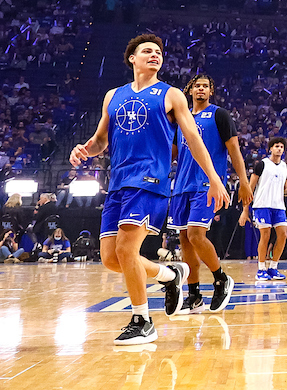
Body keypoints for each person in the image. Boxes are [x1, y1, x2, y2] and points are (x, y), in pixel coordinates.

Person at [70, 33, 230, 345]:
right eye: (147, 51)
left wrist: (213, 176)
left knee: (127, 249)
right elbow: (101, 141)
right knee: (111, 258)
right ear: (132, 58)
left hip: (150, 181)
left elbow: (193, 139)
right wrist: (85, 149)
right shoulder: (112, 96)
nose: (154, 55)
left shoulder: (171, 95)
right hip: (118, 182)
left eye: (158, 51)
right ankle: (171, 276)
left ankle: (142, 319)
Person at [167, 74, 252, 313]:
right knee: (185, 241)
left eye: (205, 86)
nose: (201, 89)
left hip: (207, 184)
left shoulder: (219, 115)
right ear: (190, 90)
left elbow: (234, 150)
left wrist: (243, 182)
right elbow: (172, 154)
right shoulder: (181, 119)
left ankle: (221, 278)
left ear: (210, 92)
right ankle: (194, 295)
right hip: (181, 186)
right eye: (197, 86)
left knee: (195, 234)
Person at [240, 137, 287, 282]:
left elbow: (284, 191)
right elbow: (250, 188)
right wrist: (245, 210)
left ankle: (273, 267)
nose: (279, 149)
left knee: (283, 235)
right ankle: (261, 269)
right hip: (262, 205)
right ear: (270, 148)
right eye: (276, 146)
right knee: (265, 236)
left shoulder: (286, 167)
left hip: (279, 206)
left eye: (281, 146)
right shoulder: (262, 165)